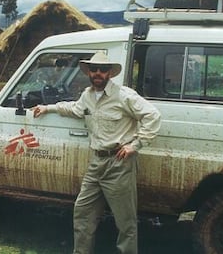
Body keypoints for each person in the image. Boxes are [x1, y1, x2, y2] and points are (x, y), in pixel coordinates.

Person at [33, 51, 161, 254]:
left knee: (125, 222)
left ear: (110, 72)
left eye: (102, 69)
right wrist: (48, 108)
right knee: (83, 212)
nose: (98, 73)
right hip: (96, 163)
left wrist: (135, 145)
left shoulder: (124, 95)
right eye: (94, 69)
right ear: (89, 72)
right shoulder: (87, 95)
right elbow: (75, 109)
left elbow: (152, 115)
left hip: (119, 164)